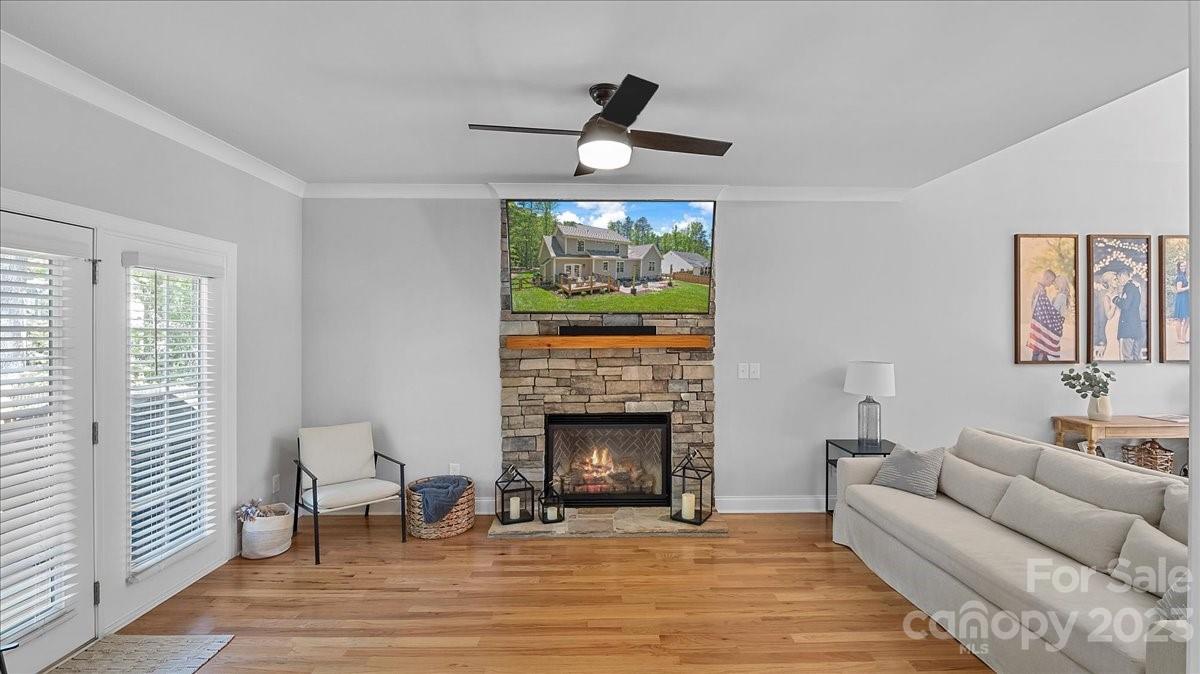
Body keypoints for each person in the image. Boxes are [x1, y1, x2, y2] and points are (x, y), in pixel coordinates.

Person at [1027, 269, 1063, 361]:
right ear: (1046, 278)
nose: (1051, 284)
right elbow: (1041, 309)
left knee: (1041, 354)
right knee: (1039, 354)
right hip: (1040, 326)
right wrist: (1056, 317)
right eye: (1051, 281)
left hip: (1039, 325)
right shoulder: (1040, 290)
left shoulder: (1040, 289)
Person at [1112, 266, 1145, 361]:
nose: (1118, 281)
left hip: (1127, 328)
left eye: (1118, 278)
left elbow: (1126, 305)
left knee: (1127, 357)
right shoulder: (1135, 287)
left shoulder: (1128, 287)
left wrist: (1116, 299)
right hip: (1136, 327)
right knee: (1137, 357)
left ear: (1122, 275)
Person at [1173, 260, 1190, 344]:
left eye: (1184, 266)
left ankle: (1183, 337)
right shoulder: (1179, 277)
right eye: (1181, 266)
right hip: (1181, 298)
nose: (1183, 267)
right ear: (1179, 267)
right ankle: (1179, 338)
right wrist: (1188, 287)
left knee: (1187, 318)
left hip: (1186, 298)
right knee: (1180, 318)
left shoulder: (1184, 276)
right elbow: (1178, 290)